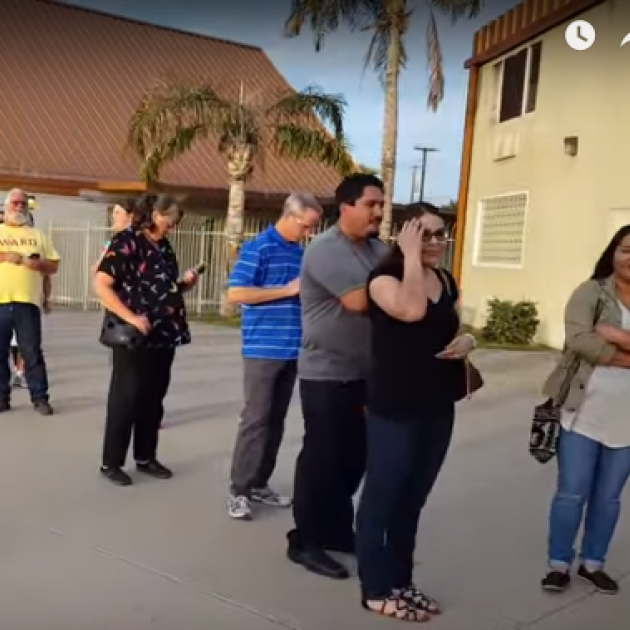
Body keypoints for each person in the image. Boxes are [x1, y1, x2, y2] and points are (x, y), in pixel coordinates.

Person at [356, 210, 475, 621]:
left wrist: (467, 341)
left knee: (412, 501)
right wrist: (409, 257)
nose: (435, 242)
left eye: (441, 234)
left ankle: (401, 581)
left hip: (437, 403)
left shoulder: (444, 280)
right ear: (403, 236)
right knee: (382, 499)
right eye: (424, 235)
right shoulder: (383, 280)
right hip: (395, 405)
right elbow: (410, 311)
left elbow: (449, 324)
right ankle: (374, 587)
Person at [286, 173, 388, 579]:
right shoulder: (327, 249)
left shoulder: (377, 249)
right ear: (345, 206)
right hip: (326, 375)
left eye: (381, 204)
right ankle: (304, 541)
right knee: (322, 461)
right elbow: (361, 301)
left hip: (367, 376)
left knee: (355, 460)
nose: (378, 212)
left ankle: (334, 530)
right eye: (370, 205)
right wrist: (403, 276)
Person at [541, 225, 630, 595]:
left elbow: (600, 339)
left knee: (609, 497)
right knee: (572, 492)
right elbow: (579, 340)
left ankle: (593, 564)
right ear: (613, 252)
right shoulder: (591, 292)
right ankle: (559, 563)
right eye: (627, 249)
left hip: (626, 421)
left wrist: (618, 336)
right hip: (584, 411)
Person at [226, 193, 323, 520]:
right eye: (307, 226)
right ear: (291, 216)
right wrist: (285, 290)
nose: (309, 233)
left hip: (292, 349)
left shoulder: (299, 252)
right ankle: (239, 491)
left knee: (276, 421)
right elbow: (236, 293)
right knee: (256, 420)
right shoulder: (259, 247)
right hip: (262, 349)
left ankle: (259, 482)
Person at [93, 193, 199, 487]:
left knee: (153, 398)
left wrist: (183, 286)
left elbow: (159, 287)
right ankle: (111, 461)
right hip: (134, 335)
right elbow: (101, 285)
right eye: (170, 220)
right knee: (126, 397)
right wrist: (130, 316)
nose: (173, 227)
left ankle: (145, 456)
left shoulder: (163, 245)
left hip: (163, 333)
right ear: (154, 214)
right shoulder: (127, 241)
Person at [0, 188, 59, 415]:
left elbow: (53, 265)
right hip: (1, 301)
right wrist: (6, 256)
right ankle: (2, 397)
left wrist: (38, 265)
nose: (19, 207)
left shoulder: (38, 235)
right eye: (15, 203)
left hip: (27, 302)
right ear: (6, 206)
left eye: (23, 204)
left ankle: (40, 398)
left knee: (31, 351)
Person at [9, 208, 52, 388]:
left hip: (28, 300)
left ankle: (21, 372)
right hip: (5, 300)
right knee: (12, 343)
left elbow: (47, 274)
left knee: (27, 344)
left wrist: (46, 298)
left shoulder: (37, 245)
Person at [91, 199, 135, 275]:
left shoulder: (131, 241)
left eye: (117, 213)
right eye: (113, 213)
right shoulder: (114, 240)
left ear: (130, 217)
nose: (113, 216)